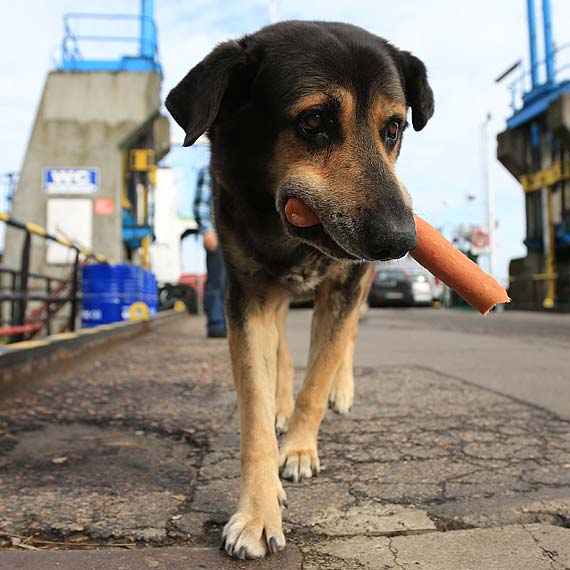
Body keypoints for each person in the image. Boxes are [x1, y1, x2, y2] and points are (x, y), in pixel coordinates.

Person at [194, 166, 227, 338]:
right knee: (217, 281)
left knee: (235, 284)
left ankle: (232, 325)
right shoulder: (209, 170)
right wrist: (207, 230)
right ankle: (216, 324)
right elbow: (201, 205)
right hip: (217, 235)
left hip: (237, 238)